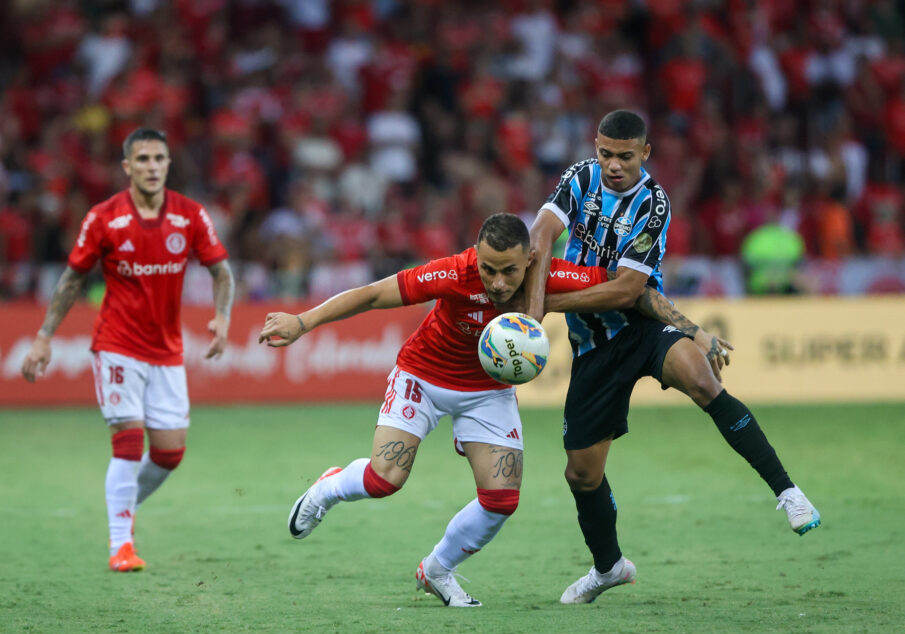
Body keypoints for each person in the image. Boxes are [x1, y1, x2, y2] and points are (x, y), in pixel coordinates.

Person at [258, 212, 722, 607]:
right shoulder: (451, 273)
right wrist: (303, 321)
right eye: (488, 270)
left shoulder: (549, 274)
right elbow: (374, 294)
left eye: (510, 272)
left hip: (487, 391)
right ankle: (327, 489)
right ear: (475, 257)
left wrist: (696, 331)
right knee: (384, 481)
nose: (498, 283)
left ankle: (437, 570)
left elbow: (632, 289)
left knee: (502, 500)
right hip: (424, 375)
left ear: (530, 262)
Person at [524, 110, 821, 605]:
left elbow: (627, 290)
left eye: (624, 156)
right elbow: (539, 235)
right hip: (593, 347)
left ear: (645, 153)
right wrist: (532, 314)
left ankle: (788, 491)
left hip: (641, 326)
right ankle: (609, 568)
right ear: (594, 147)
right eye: (605, 153)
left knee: (704, 382)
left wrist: (548, 305)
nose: (613, 165)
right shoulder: (579, 178)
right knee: (581, 474)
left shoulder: (654, 204)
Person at [21, 128, 235, 573]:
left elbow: (222, 272)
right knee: (128, 442)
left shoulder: (190, 215)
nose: (152, 167)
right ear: (127, 168)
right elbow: (72, 279)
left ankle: (120, 508)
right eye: (143, 160)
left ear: (168, 164)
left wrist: (222, 316)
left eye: (159, 158)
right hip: (117, 345)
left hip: (167, 350)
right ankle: (121, 543)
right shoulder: (103, 218)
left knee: (169, 453)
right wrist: (44, 336)